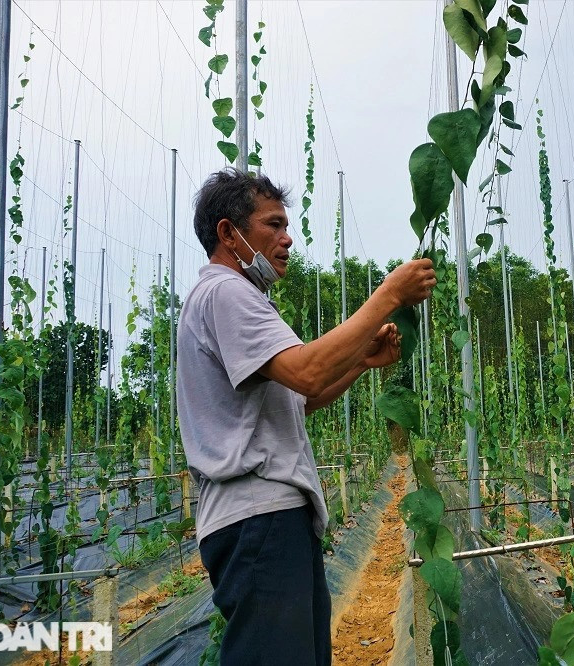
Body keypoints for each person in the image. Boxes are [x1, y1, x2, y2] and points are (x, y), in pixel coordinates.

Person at [177, 168, 435, 665]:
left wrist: (360, 361)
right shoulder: (226, 294)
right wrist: (389, 294)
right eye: (272, 225)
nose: (286, 238)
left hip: (266, 518)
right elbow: (309, 372)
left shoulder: (238, 299)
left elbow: (300, 398)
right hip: (258, 517)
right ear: (229, 233)